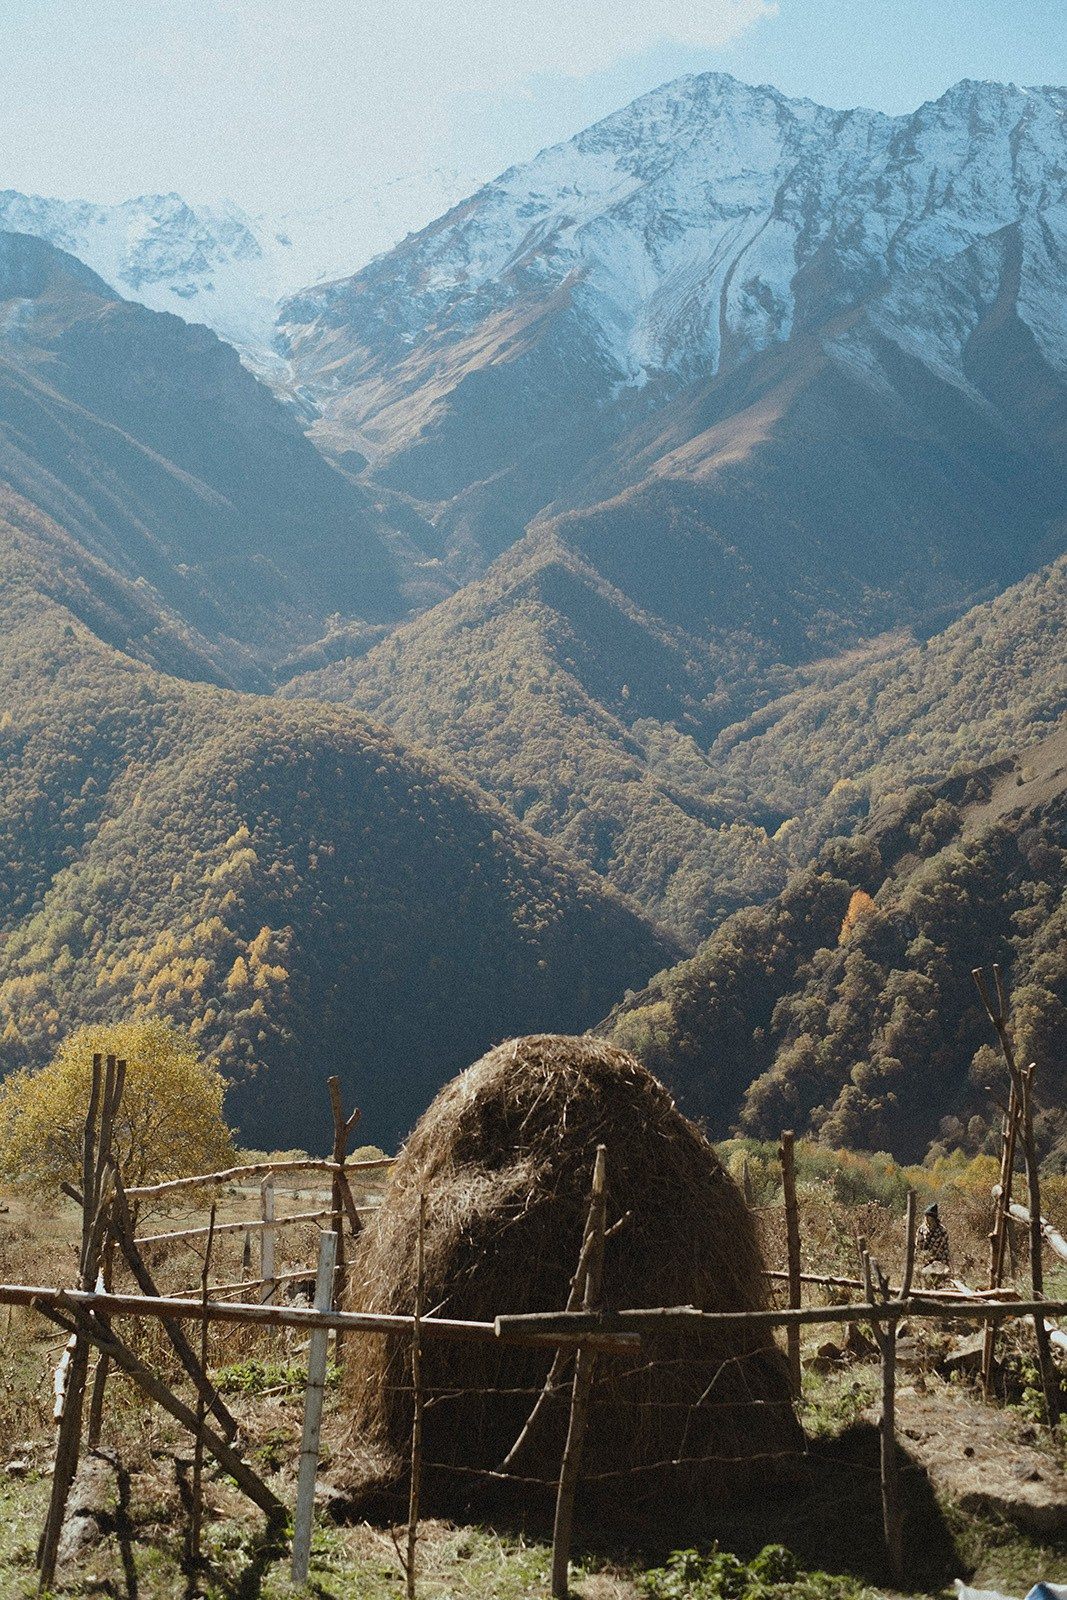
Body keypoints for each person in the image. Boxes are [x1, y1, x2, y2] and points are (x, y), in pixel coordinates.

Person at [917, 1201, 950, 1269]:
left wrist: (945, 1266)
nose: (926, 1218)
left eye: (928, 1216)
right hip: (925, 1262)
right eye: (926, 1216)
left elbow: (945, 1249)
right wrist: (919, 1261)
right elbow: (918, 1246)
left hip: (939, 1262)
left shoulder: (942, 1230)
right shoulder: (922, 1229)